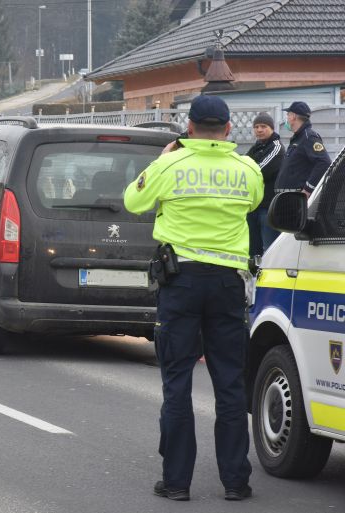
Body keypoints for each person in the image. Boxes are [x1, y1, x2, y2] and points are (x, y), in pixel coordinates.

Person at [123, 95, 263, 502]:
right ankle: (235, 481)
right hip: (227, 286)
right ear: (226, 130)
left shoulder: (170, 164)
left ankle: (177, 482)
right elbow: (254, 203)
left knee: (178, 382)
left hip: (180, 282)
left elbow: (134, 201)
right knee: (230, 384)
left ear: (188, 127)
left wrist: (162, 159)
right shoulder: (247, 169)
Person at [245, 112, 284, 256]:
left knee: (270, 249)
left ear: (272, 128)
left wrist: (246, 170)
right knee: (252, 249)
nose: (259, 130)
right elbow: (244, 164)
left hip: (268, 207)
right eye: (256, 127)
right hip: (253, 205)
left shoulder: (276, 147)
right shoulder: (256, 147)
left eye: (263, 126)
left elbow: (258, 172)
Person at [275, 101, 331, 197]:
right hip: (285, 199)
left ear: (293, 116)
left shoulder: (309, 137)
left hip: (295, 200)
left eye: (288, 115)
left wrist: (307, 190)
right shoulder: (298, 138)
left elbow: (324, 162)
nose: (287, 118)